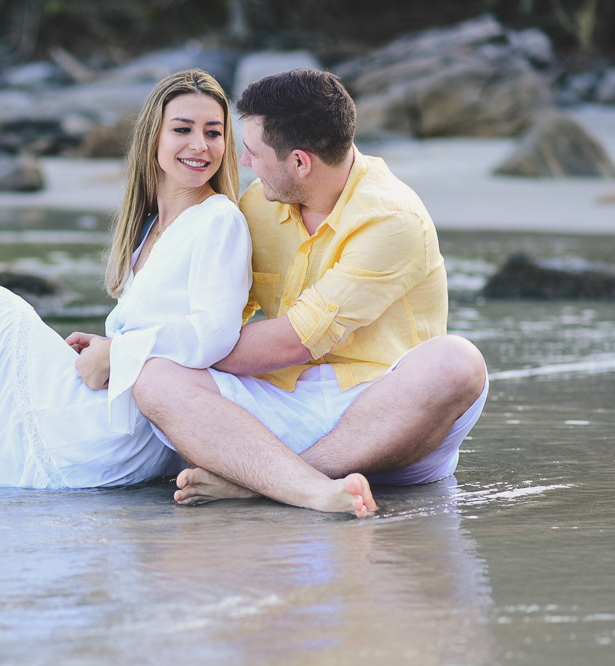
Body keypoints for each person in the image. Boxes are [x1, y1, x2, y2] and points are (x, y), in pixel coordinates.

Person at [0, 70, 377, 509]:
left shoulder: (218, 219)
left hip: (129, 422)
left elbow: (214, 333)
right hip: (113, 387)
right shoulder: (152, 228)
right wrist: (107, 343)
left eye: (214, 133)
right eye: (183, 129)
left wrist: (120, 353)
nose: (199, 146)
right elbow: (155, 321)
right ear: (153, 139)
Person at [132, 69, 488, 515]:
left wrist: (141, 348)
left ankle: (271, 481)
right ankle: (296, 482)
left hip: (385, 415)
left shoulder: (392, 220)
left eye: (254, 153)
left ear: (300, 163)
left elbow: (292, 341)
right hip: (285, 404)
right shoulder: (259, 205)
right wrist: (147, 353)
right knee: (156, 379)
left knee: (457, 362)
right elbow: (221, 319)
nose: (243, 164)